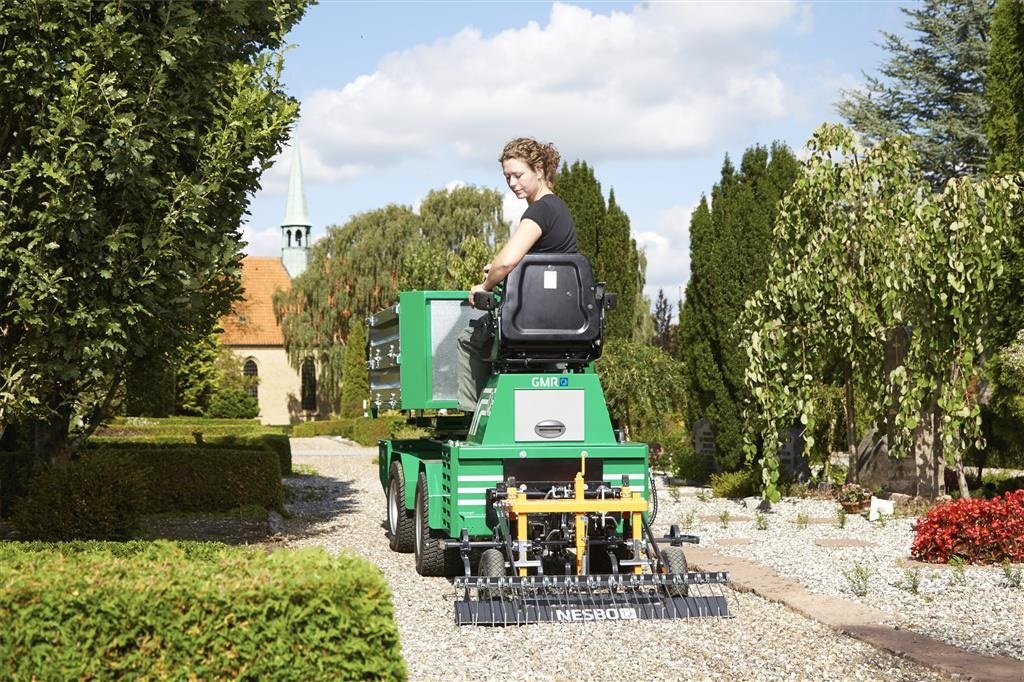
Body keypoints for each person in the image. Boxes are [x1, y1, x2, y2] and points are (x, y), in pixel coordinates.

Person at [457, 137, 578, 411]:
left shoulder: (540, 210)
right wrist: (502, 270)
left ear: (540, 170)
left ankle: (478, 419)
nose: (512, 183)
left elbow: (507, 262)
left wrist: (486, 285)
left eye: (518, 175)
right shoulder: (558, 210)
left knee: (468, 340)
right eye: (507, 176)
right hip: (560, 318)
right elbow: (537, 265)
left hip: (530, 320)